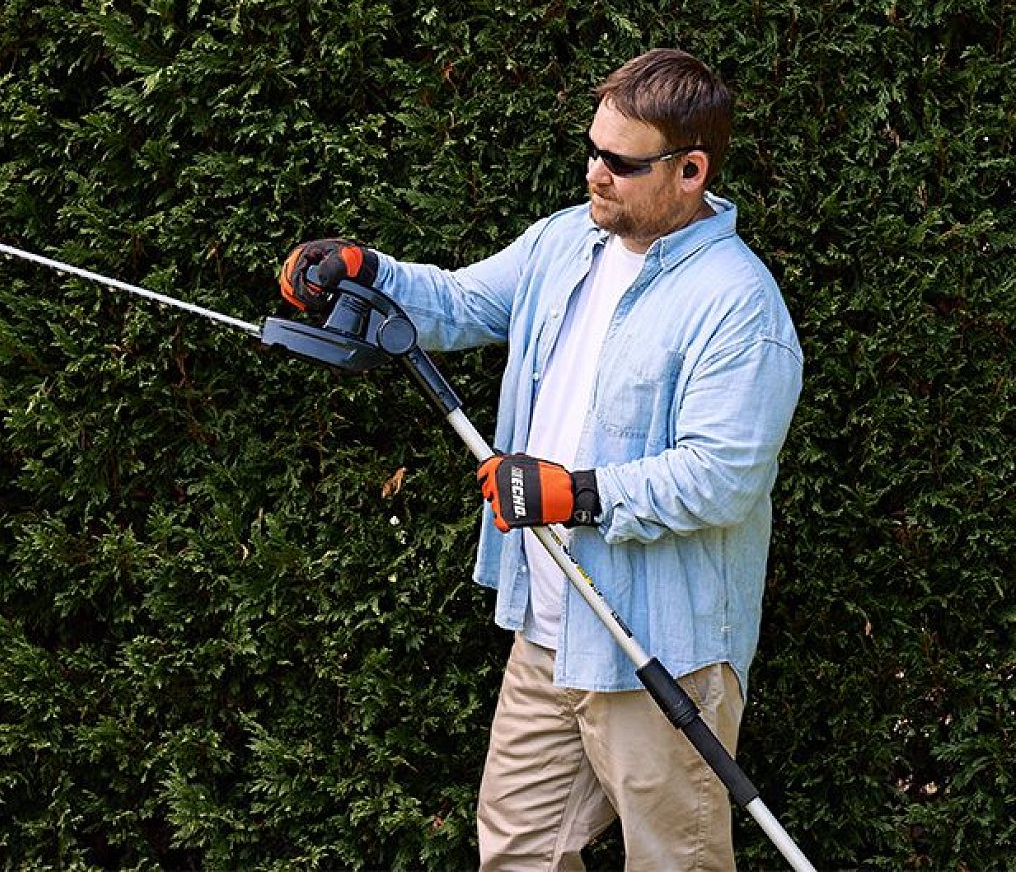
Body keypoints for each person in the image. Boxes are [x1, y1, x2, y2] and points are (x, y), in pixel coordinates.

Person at [279, 48, 803, 871]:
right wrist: (367, 271)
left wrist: (574, 493)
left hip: (661, 647)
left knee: (675, 861)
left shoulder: (739, 306)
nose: (596, 173)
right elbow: (460, 302)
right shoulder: (566, 240)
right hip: (551, 632)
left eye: (621, 162)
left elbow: (721, 476)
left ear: (691, 170)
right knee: (519, 849)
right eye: (593, 150)